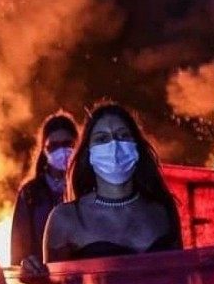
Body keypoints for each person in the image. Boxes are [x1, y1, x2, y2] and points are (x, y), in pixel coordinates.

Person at [39, 103, 182, 265]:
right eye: (102, 139)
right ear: (89, 153)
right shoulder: (66, 218)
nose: (114, 145)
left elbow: (183, 276)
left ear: (137, 146)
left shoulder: (161, 210)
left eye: (123, 135)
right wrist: (31, 272)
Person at [11, 112, 77, 270]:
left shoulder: (90, 187)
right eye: (53, 146)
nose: (62, 150)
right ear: (44, 150)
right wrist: (26, 266)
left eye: (68, 144)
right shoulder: (30, 194)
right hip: (43, 281)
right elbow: (18, 255)